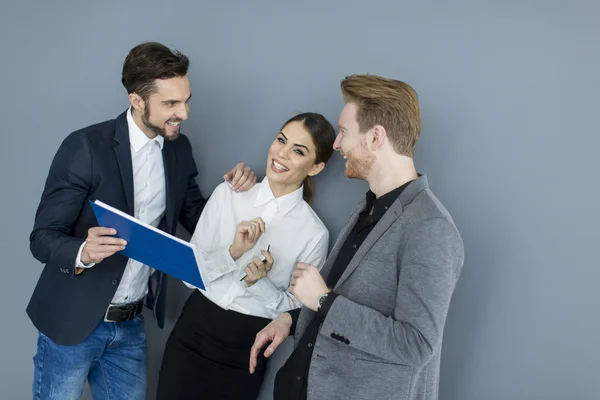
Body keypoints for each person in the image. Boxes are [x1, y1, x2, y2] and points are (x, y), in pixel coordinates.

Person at [27, 41, 257, 400]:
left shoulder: (179, 148)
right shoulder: (85, 147)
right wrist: (83, 252)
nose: (184, 113)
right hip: (73, 320)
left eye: (187, 100)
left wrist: (238, 192)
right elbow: (42, 237)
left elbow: (197, 217)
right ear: (136, 100)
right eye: (171, 104)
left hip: (130, 326)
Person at [249, 74, 465, 400]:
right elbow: (346, 305)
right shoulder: (368, 208)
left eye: (345, 132)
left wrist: (322, 300)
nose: (337, 145)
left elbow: (416, 344)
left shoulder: (430, 227)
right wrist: (290, 319)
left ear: (376, 136)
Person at [156, 112, 337, 399]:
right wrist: (233, 252)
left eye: (298, 151)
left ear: (315, 167)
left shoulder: (314, 233)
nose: (282, 154)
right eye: (281, 140)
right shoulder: (228, 194)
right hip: (192, 331)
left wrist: (260, 283)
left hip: (247, 349)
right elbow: (190, 276)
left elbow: (297, 313)